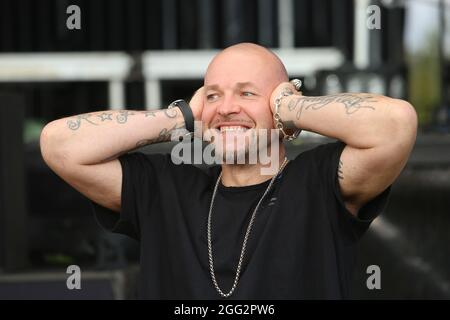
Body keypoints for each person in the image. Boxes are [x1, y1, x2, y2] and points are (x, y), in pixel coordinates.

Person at [40, 43, 417, 299]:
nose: (226, 108)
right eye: (214, 95)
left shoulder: (316, 182)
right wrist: (182, 116)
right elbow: (59, 145)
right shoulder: (165, 186)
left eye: (248, 93)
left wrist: (289, 108)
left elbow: (395, 123)